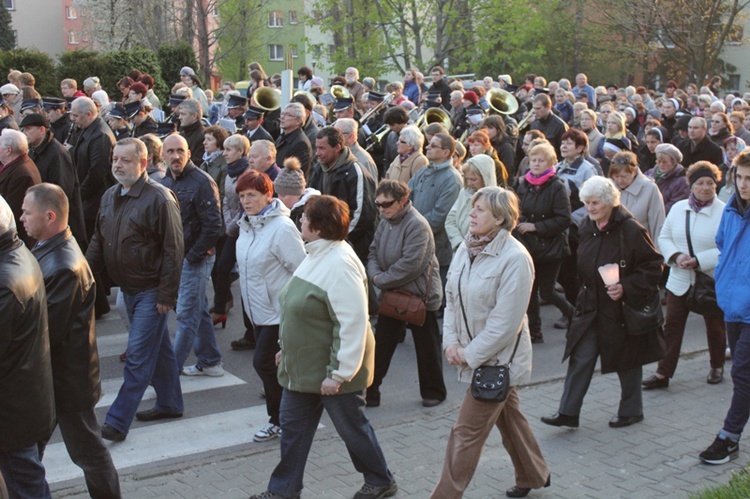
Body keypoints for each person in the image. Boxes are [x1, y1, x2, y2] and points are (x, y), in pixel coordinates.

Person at [250, 195, 396, 499]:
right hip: (304, 366)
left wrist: (339, 373)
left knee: (352, 429)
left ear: (318, 227)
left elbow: (352, 322)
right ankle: (283, 491)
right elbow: (297, 310)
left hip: (333, 371)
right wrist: (284, 348)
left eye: (304, 218)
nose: (300, 221)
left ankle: (380, 480)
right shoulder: (316, 254)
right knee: (292, 430)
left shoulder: (339, 263)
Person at [431, 186, 551, 499]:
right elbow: (452, 301)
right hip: (473, 354)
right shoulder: (465, 248)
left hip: (498, 361)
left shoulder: (515, 259)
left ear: (499, 218)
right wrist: (451, 342)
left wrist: (468, 354)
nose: (471, 214)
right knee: (509, 418)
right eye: (473, 207)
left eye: (480, 209)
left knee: (465, 433)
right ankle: (533, 474)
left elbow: (505, 324)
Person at [21, 184, 121, 498]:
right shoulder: (49, 248)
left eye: (27, 212)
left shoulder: (64, 265)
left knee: (88, 453)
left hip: (67, 382)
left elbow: (46, 329)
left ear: (49, 216)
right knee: (23, 453)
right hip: (53, 379)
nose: (21, 218)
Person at [541, 176, 664, 430]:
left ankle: (632, 410)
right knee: (581, 356)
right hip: (590, 307)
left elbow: (654, 266)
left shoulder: (630, 229)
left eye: (595, 202)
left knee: (626, 360)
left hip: (619, 309)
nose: (590, 208)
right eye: (586, 202)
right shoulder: (588, 225)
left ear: (610, 201)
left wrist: (626, 287)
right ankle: (568, 411)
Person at [86, 137, 185, 441]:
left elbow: (173, 249)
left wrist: (167, 294)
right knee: (161, 351)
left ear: (143, 163)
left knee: (138, 357)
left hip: (151, 290)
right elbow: (98, 241)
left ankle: (117, 421)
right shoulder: (109, 196)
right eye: (115, 159)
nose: (117, 165)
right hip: (128, 289)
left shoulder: (160, 198)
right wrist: (83, 276)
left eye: (125, 160)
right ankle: (170, 403)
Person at [235, 170, 306, 442]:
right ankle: (294, 410)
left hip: (279, 312)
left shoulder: (282, 228)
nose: (246, 201)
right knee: (276, 366)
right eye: (242, 196)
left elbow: (301, 270)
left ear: (268, 195)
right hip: (257, 312)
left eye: (252, 195)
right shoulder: (247, 225)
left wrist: (295, 309)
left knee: (263, 362)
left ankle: (279, 420)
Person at [643, 161, 726, 391]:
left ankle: (717, 365)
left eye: (710, 183)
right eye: (700, 183)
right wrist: (676, 256)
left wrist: (699, 260)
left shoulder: (724, 211)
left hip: (709, 280)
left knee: (715, 325)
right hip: (679, 279)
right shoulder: (679, 209)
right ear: (691, 185)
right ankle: (663, 372)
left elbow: (727, 248)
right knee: (672, 326)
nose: (705, 187)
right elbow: (664, 237)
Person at [366, 179, 447, 408]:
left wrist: (380, 279)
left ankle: (434, 391)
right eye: (378, 205)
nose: (381, 209)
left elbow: (411, 264)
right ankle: (370, 391)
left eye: (386, 204)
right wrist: (375, 275)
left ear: (402, 201)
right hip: (392, 293)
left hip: (419, 296)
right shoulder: (385, 221)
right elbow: (373, 252)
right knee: (380, 345)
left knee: (427, 347)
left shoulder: (417, 225)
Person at [0, 195, 55, 499]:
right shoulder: (15, 253)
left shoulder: (6, 280)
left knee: (26, 484)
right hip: (22, 402)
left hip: (12, 413)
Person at [698, 150, 750, 464]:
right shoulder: (731, 209)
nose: (744, 185)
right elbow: (722, 243)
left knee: (742, 373)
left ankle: (729, 437)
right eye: (740, 178)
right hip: (731, 303)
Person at [160, 134, 223, 376]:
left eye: (180, 150)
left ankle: (170, 370)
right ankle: (210, 360)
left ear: (188, 153)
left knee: (186, 314)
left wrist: (191, 257)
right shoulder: (167, 181)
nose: (176, 156)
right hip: (177, 258)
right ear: (163, 155)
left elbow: (213, 226)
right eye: (171, 151)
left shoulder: (202, 182)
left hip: (195, 258)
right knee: (197, 309)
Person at [513, 142, 574, 343]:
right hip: (528, 245)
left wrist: (536, 227)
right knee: (530, 290)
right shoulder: (525, 183)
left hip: (550, 247)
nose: (536, 164)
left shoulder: (557, 186)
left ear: (550, 163)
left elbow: (564, 218)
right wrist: (521, 222)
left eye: (541, 161)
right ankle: (535, 331)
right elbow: (518, 209)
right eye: (533, 160)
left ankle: (575, 317)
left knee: (547, 292)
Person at [308, 126, 376, 263]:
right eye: (317, 148)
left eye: (322, 148)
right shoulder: (319, 169)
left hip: (351, 246)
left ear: (337, 147)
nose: (317, 153)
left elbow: (362, 215)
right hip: (326, 242)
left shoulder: (356, 173)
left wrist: (337, 239)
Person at [409, 133, 463, 301]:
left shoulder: (452, 179)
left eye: (433, 146)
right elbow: (407, 195)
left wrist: (415, 230)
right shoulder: (424, 170)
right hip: (417, 236)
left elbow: (440, 215)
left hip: (437, 243)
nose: (427, 147)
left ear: (446, 152)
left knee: (437, 293)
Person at [609, 151, 666, 242]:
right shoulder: (608, 187)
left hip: (640, 247)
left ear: (634, 171)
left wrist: (658, 253)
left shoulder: (650, 189)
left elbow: (658, 224)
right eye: (616, 176)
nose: (619, 181)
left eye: (624, 176)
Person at [445, 154, 497, 252]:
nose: (469, 183)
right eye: (467, 179)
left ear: (485, 177)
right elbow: (450, 220)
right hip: (459, 250)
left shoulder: (496, 201)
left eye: (473, 179)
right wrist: (459, 243)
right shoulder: (464, 193)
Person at [0, 129, 41, 247]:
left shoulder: (22, 174)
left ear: (8, 150)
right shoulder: (15, 165)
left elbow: (11, 211)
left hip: (15, 240)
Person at [645, 143, 690, 214]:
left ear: (674, 162)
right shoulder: (650, 173)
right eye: (659, 161)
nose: (661, 165)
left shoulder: (682, 181)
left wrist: (653, 213)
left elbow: (674, 205)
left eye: (665, 162)